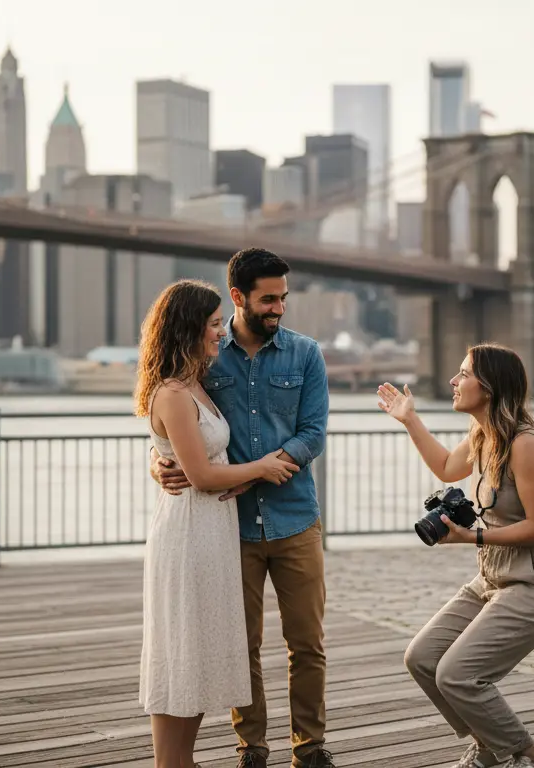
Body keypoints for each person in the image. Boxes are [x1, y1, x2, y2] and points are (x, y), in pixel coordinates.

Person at [149, 248, 334, 768]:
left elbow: (313, 433)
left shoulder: (306, 354)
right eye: (268, 299)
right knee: (241, 644)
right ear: (238, 296)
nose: (279, 308)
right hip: (231, 526)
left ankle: (309, 747)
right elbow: (176, 420)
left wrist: (265, 468)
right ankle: (251, 748)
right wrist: (157, 462)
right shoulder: (207, 353)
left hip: (295, 518)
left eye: (283, 298)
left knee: (307, 643)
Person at [375, 343, 534, 768]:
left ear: (488, 386)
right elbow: (447, 468)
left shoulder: (525, 444)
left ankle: (528, 757)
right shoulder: (483, 436)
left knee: (457, 674)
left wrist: (474, 537)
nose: (454, 380)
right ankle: (489, 744)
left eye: (464, 374)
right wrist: (409, 419)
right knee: (423, 658)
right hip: (492, 577)